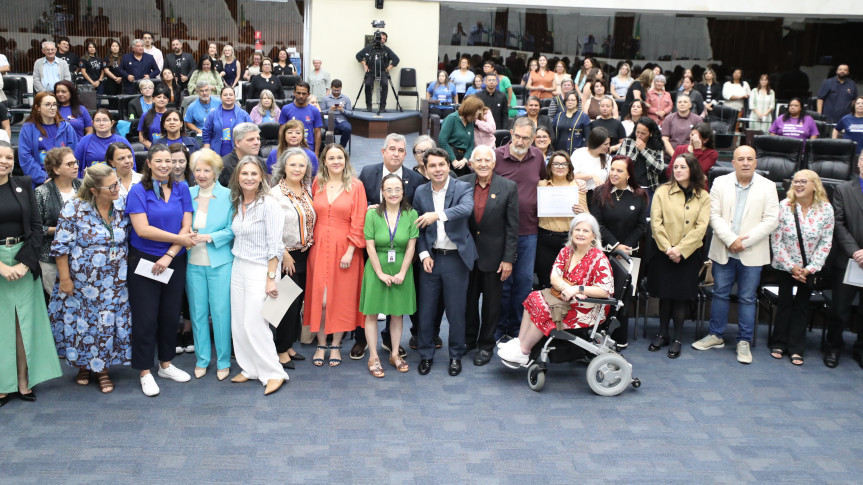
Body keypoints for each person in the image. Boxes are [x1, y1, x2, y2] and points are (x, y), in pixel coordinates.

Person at [692, 145, 779, 364]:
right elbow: (713, 215)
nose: (746, 163)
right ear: (733, 163)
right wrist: (731, 240)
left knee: (748, 298)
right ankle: (716, 335)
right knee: (720, 293)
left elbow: (771, 220)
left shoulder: (768, 186)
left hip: (752, 252)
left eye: (750, 159)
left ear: (756, 162)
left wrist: (743, 242)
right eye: (741, 159)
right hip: (724, 249)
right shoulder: (720, 182)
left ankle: (744, 341)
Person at [49, 163, 131, 393]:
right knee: (83, 326)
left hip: (115, 281)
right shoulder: (73, 208)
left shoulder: (122, 205)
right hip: (83, 282)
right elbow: (61, 247)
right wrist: (65, 280)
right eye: (111, 186)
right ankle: (86, 366)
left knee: (105, 325)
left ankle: (101, 368)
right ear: (94, 190)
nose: (117, 189)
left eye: (116, 183)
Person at [497, 214, 614, 366]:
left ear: (594, 236)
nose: (580, 233)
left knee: (544, 309)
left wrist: (577, 289)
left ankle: (524, 351)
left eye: (585, 231)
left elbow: (604, 291)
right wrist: (567, 288)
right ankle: (519, 343)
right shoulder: (567, 251)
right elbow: (554, 277)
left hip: (588, 308)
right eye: (577, 229)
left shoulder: (599, 258)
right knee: (533, 297)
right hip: (566, 298)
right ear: (571, 233)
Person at [125, 143, 196, 396]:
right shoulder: (137, 191)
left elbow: (187, 224)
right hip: (144, 260)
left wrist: (170, 253)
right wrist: (177, 241)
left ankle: (166, 364)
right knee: (145, 318)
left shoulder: (182, 187)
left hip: (173, 259)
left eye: (170, 161)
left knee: (169, 315)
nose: (166, 165)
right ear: (149, 163)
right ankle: (145, 370)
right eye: (160, 161)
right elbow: (142, 229)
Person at [0, 141, 62, 405]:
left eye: (8, 157)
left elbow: (37, 229)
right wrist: (2, 267)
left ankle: (24, 381)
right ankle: (3, 384)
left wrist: (23, 264)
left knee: (23, 325)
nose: (5, 161)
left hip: (25, 260)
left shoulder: (23, 184)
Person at [413, 147, 478, 376]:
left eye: (442, 164)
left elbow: (466, 209)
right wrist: (423, 254)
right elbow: (418, 230)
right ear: (425, 169)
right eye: (432, 165)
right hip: (431, 259)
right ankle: (425, 355)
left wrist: (438, 215)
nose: (438, 169)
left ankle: (455, 356)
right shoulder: (420, 192)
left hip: (456, 260)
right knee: (426, 311)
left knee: (456, 312)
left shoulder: (462, 187)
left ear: (448, 166)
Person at [227, 155, 287, 395]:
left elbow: (276, 246)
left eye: (254, 173)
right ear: (237, 177)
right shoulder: (238, 201)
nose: (249, 178)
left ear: (262, 176)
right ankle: (250, 368)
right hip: (238, 265)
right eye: (244, 173)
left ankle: (274, 372)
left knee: (255, 323)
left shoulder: (269, 205)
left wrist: (271, 278)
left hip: (261, 269)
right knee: (239, 322)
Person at [304, 144, 367, 367]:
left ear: (345, 160)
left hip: (345, 249)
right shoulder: (317, 184)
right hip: (319, 247)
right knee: (321, 300)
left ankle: (336, 345)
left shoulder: (356, 186)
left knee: (339, 299)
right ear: (325, 162)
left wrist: (351, 250)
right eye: (331, 158)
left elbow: (359, 221)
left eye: (339, 157)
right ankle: (321, 343)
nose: (336, 161)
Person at [647, 153, 711, 358]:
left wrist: (681, 250)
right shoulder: (662, 191)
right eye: (675, 167)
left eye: (683, 167)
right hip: (664, 252)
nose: (678, 170)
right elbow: (655, 224)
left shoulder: (703, 196)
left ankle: (677, 338)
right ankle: (663, 333)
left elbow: (701, 228)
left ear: (692, 169)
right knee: (666, 295)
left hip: (689, 255)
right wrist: (669, 249)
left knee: (681, 297)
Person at [460, 146, 519, 366]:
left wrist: (508, 259)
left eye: (487, 160)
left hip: (495, 258)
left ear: (494, 163)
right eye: (479, 160)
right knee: (468, 302)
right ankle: (468, 340)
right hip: (466, 256)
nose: (483, 164)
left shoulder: (508, 187)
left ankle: (486, 345)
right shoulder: (462, 183)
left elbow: (513, 228)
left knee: (492, 305)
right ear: (471, 163)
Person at [769, 170, 833, 366]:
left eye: (803, 181)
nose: (798, 185)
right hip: (786, 265)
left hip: (809, 269)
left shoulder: (826, 209)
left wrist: (810, 268)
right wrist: (791, 267)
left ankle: (796, 348)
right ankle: (779, 342)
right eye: (795, 181)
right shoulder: (784, 206)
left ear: (814, 185)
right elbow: (776, 240)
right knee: (785, 303)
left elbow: (826, 243)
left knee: (802, 306)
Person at [358, 174, 418, 377]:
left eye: (397, 189)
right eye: (389, 190)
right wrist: (380, 273)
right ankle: (373, 356)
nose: (393, 193)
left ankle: (394, 354)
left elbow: (411, 247)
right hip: (377, 269)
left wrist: (402, 272)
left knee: (397, 313)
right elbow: (370, 246)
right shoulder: (372, 214)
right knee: (372, 313)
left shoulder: (411, 214)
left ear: (403, 192)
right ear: (382, 192)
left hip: (401, 268)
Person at [182, 148, 234, 381]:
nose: (201, 174)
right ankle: (202, 359)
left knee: (221, 312)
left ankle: (223, 360)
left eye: (207, 170)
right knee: (197, 312)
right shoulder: (185, 192)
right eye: (197, 170)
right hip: (192, 262)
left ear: (216, 172)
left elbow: (234, 229)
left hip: (220, 262)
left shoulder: (229, 195)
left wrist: (210, 237)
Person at [493, 118, 547, 340]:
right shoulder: (496, 156)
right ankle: (499, 325)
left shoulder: (538, 157)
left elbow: (545, 183)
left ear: (533, 138)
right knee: (502, 283)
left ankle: (517, 326)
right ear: (511, 133)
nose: (521, 141)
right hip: (500, 231)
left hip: (529, 230)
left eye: (526, 138)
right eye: (518, 136)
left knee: (523, 282)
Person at [590, 155, 650, 347]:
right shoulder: (600, 192)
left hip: (628, 254)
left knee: (622, 295)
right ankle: (596, 335)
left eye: (620, 170)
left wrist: (624, 247)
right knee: (601, 294)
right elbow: (597, 223)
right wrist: (615, 245)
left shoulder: (639, 195)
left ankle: (619, 338)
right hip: (603, 252)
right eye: (612, 169)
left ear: (629, 174)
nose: (614, 174)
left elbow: (641, 227)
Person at [269, 148, 316, 370]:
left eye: (302, 165)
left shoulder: (308, 190)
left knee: (298, 302)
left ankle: (288, 345)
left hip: (307, 254)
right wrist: (285, 255)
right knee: (286, 304)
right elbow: (270, 230)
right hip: (286, 256)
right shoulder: (275, 194)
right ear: (283, 168)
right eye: (293, 165)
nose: (297, 169)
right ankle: (280, 350)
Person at [824, 152, 863, 368]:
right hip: (848, 260)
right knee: (840, 309)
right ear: (858, 162)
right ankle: (833, 347)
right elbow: (838, 224)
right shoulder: (843, 189)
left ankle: (861, 349)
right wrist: (856, 251)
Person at [537, 151, 587, 290]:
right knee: (545, 281)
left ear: (569, 167)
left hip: (569, 241)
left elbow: (587, 216)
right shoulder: (541, 185)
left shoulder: (577, 187)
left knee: (568, 281)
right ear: (550, 166)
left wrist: (581, 212)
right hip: (545, 240)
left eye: (564, 164)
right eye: (556, 164)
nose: (560, 167)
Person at [35, 147, 81, 293]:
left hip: (81, 256)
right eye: (69, 164)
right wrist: (60, 230)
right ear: (56, 169)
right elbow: (35, 228)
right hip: (51, 258)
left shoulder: (84, 187)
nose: (76, 166)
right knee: (59, 301)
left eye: (75, 162)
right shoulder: (41, 193)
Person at [18, 92, 77, 186]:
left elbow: (73, 155)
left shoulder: (67, 128)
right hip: (37, 182)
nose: (52, 108)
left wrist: (59, 178)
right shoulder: (28, 129)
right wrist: (44, 177)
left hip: (63, 180)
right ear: (38, 108)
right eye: (47, 105)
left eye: (54, 104)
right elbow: (25, 158)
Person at [439, 96, 485, 177]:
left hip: (463, 160)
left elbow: (471, 145)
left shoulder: (470, 122)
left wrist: (465, 160)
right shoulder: (452, 118)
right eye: (476, 113)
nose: (477, 116)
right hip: (450, 157)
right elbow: (442, 140)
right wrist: (453, 160)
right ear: (471, 110)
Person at [618, 117, 664, 195]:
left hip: (648, 188)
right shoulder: (628, 142)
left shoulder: (657, 147)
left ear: (651, 133)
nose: (639, 136)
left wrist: (644, 150)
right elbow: (618, 164)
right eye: (637, 132)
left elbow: (659, 168)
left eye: (643, 133)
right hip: (628, 186)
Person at [203, 86, 253, 158]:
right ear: (221, 97)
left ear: (235, 97)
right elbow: (207, 134)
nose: (228, 97)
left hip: (239, 155)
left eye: (231, 95)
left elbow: (251, 133)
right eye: (225, 95)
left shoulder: (243, 114)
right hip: (216, 154)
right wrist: (206, 153)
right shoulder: (213, 114)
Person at [356, 33, 399, 111]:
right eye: (380, 38)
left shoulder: (386, 49)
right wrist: (364, 65)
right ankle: (369, 107)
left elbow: (396, 59)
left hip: (383, 71)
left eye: (383, 39)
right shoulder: (369, 48)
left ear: (385, 40)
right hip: (371, 71)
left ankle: (382, 107)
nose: (381, 40)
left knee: (385, 84)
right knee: (368, 84)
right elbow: (358, 55)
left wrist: (387, 69)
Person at [278, 81, 323, 155]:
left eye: (304, 94)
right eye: (298, 93)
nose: (301, 96)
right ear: (294, 93)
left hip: (308, 149)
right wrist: (281, 149)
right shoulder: (286, 109)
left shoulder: (314, 111)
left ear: (308, 94)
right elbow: (281, 131)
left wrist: (316, 153)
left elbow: (317, 133)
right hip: (289, 149)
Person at [571, 127, 611, 198]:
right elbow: (572, 175)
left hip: (601, 195)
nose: (608, 146)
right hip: (582, 194)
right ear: (596, 143)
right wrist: (592, 176)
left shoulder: (608, 158)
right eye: (605, 144)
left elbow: (609, 178)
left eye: (608, 143)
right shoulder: (579, 153)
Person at [319, 79, 353, 149]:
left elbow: (350, 113)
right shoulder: (325, 99)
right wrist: (330, 110)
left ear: (341, 88)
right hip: (329, 119)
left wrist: (343, 110)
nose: (336, 92)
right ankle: (332, 147)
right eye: (334, 90)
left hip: (342, 120)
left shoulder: (346, 98)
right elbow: (321, 113)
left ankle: (341, 147)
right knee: (329, 128)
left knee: (348, 128)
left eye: (338, 90)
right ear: (331, 88)